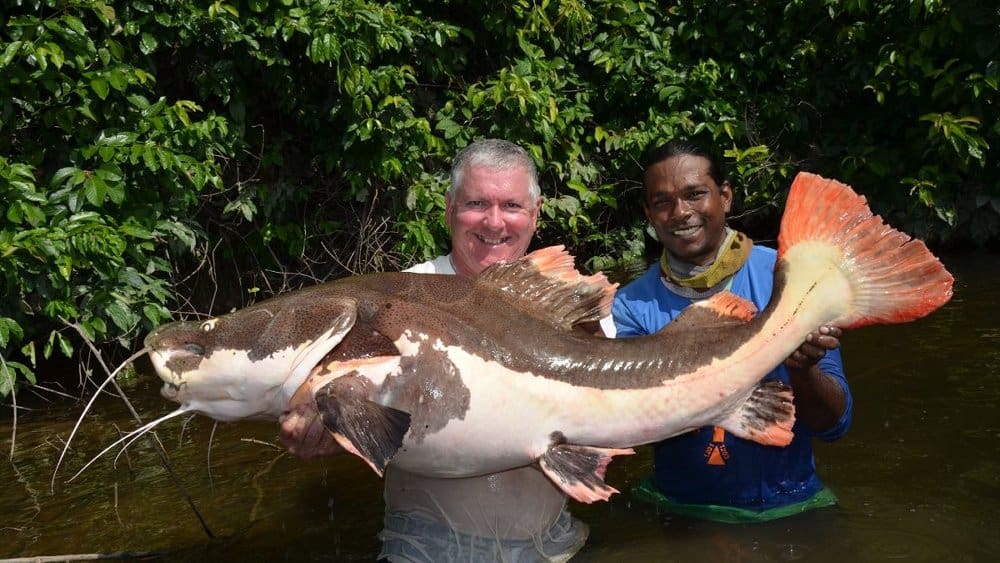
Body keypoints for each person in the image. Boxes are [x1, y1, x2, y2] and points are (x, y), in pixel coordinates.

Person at [280, 139, 589, 562]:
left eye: (512, 206)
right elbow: (353, 407)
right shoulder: (396, 299)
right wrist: (333, 430)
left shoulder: (573, 304)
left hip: (553, 545)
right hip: (424, 549)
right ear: (448, 209)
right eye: (477, 203)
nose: (495, 222)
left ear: (535, 215)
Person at [612, 140, 853, 523]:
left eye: (695, 194)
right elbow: (633, 426)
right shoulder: (628, 306)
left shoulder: (792, 279)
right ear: (649, 214)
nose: (680, 212)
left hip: (791, 505)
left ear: (724, 197)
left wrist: (803, 370)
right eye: (662, 202)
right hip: (681, 510)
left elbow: (834, 425)